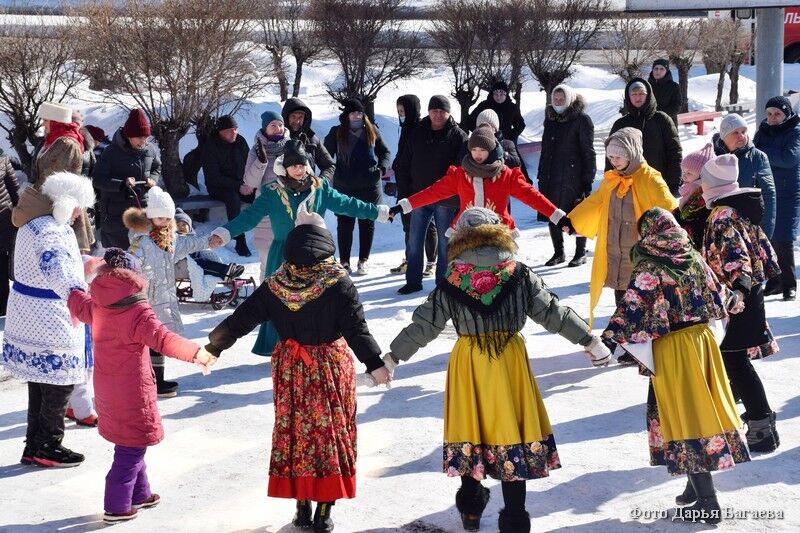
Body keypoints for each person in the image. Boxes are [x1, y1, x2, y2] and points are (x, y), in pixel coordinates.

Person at [386, 208, 611, 533]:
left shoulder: (454, 278)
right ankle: (515, 519)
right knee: (511, 437)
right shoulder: (518, 273)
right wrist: (590, 341)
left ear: (462, 237)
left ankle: (471, 504)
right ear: (497, 233)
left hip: (470, 363)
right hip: (508, 363)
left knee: (471, 432)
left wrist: (393, 356)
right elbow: (552, 312)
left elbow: (425, 324)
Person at [205, 216, 391, 533]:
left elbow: (242, 318)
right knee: (329, 436)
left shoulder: (276, 284)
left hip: (291, 368)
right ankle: (323, 513)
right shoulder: (338, 282)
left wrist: (213, 346)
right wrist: (375, 363)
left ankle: (302, 509)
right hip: (329, 367)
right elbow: (356, 329)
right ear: (326, 245)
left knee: (297, 436)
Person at [603, 207, 749, 525]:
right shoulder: (692, 256)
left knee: (686, 418)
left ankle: (708, 503)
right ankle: (694, 487)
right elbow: (719, 294)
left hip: (675, 347)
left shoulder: (650, 265)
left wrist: (608, 342)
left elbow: (632, 304)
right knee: (693, 410)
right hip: (703, 343)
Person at [67, 248, 214, 524]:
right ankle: (117, 506)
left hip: (107, 389)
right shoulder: (136, 311)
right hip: (132, 390)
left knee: (130, 442)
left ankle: (140, 493)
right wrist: (196, 353)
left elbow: (78, 304)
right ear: (134, 276)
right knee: (131, 449)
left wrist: (71, 288)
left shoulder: (99, 304)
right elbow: (164, 339)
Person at [209, 140, 390, 357]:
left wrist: (377, 212)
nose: (299, 169)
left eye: (302, 164)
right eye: (293, 165)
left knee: (321, 301)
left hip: (317, 256)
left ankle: (321, 342)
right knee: (278, 301)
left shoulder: (320, 188)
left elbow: (348, 204)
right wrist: (226, 232)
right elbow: (250, 217)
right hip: (282, 254)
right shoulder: (272, 192)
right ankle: (281, 347)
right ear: (284, 166)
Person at [561, 127, 677, 363]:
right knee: (622, 297)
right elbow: (595, 202)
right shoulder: (612, 179)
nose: (613, 162)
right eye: (611, 157)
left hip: (639, 253)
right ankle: (629, 343)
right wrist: (573, 222)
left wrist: (677, 229)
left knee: (640, 301)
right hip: (615, 250)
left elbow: (669, 207)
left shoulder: (649, 178)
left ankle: (641, 346)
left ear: (632, 153)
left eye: (618, 157)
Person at [3, 172, 95, 467]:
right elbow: (54, 264)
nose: (81, 213)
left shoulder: (42, 222)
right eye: (80, 206)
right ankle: (47, 444)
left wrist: (90, 265)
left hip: (33, 310)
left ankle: (35, 444)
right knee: (61, 381)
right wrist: (76, 293)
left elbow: (63, 262)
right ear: (67, 203)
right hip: (48, 314)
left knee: (41, 380)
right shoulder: (49, 228)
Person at [700, 154, 781, 453]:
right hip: (747, 296)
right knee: (732, 362)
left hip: (738, 300)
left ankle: (762, 425)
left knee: (736, 361)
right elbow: (763, 249)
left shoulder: (723, 216)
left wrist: (739, 292)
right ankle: (745, 416)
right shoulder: (741, 209)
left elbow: (737, 258)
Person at [391, 125, 565, 236]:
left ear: (491, 149)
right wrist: (404, 206)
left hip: (498, 234)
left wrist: (558, 217)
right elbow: (432, 193)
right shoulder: (460, 175)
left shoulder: (505, 175)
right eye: (474, 149)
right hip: (466, 233)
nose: (478, 154)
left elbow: (532, 196)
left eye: (482, 149)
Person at [123, 187, 212, 398]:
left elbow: (190, 242)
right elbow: (130, 263)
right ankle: (147, 380)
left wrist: (211, 240)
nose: (164, 221)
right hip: (147, 299)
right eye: (160, 217)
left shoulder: (169, 239)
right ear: (151, 216)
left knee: (158, 341)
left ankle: (157, 380)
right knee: (147, 341)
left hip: (164, 298)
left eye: (167, 218)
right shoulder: (142, 241)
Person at [394, 95, 468, 294]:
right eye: (434, 110)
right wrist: (405, 192)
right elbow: (404, 163)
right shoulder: (417, 132)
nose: (438, 114)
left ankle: (442, 285)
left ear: (448, 112)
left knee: (445, 244)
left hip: (446, 200)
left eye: (442, 111)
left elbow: (460, 169)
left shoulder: (458, 136)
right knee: (414, 240)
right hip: (419, 196)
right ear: (428, 111)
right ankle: (413, 281)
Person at [324, 98, 391, 275]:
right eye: (353, 113)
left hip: (369, 183)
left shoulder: (371, 129)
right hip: (345, 184)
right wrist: (329, 173)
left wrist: (381, 168)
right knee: (344, 222)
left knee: (367, 222)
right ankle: (344, 261)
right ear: (346, 115)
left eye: (360, 113)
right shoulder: (337, 132)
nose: (357, 116)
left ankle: (364, 260)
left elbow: (384, 152)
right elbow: (325, 156)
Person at [537, 84, 596, 267]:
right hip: (551, 175)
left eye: (562, 99)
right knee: (552, 212)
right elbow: (545, 150)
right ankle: (558, 252)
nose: (558, 102)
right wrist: (541, 174)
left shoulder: (582, 120)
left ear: (569, 99)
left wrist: (588, 179)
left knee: (577, 214)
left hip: (574, 177)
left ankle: (580, 252)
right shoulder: (550, 119)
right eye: (556, 99)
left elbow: (589, 152)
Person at [92, 108, 162, 250]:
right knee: (120, 256)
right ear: (129, 135)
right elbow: (98, 179)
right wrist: (121, 185)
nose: (143, 141)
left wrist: (153, 179)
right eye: (139, 137)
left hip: (143, 211)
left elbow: (156, 168)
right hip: (116, 215)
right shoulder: (110, 152)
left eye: (146, 137)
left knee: (142, 254)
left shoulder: (150, 150)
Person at [753, 95, 800, 301]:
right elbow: (751, 155)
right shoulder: (762, 131)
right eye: (769, 114)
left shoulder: (795, 132)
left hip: (788, 192)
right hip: (766, 191)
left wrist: (762, 151)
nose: (772, 118)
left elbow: (788, 158)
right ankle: (775, 281)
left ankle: (790, 284)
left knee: (784, 238)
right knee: (767, 237)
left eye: (777, 114)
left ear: (786, 114)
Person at [31, 102, 95, 253]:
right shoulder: (52, 140)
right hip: (47, 204)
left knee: (63, 253)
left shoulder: (67, 143)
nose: (42, 124)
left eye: (45, 120)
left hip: (62, 208)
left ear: (55, 121)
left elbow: (59, 181)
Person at [607, 78, 682, 196]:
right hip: (628, 187)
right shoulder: (620, 124)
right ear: (628, 96)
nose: (638, 97)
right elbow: (610, 156)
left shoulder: (662, 119)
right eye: (634, 94)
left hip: (659, 184)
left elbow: (674, 152)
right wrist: (610, 183)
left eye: (642, 93)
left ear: (649, 95)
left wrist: (674, 183)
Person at [389, 94, 437, 276]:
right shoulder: (405, 129)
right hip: (404, 185)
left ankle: (431, 261)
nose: (401, 115)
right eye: (399, 112)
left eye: (403, 111)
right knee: (408, 225)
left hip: (419, 185)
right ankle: (410, 259)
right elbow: (402, 154)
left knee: (427, 224)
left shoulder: (420, 129)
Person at [240, 110, 291, 272]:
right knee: (267, 260)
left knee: (289, 261)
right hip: (265, 210)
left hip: (290, 209)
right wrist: (261, 162)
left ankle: (287, 296)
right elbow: (250, 182)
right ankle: (266, 295)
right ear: (264, 128)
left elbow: (305, 175)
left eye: (280, 125)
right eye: (273, 125)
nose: (278, 128)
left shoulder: (292, 147)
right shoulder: (255, 150)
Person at [712, 113, 776, 238]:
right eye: (735, 132)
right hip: (720, 225)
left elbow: (769, 195)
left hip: (749, 227)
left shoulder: (758, 157)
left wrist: (765, 233)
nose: (741, 136)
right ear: (724, 136)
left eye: (744, 131)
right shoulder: (712, 156)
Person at [201, 115, 251, 258]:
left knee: (261, 194)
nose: (233, 133)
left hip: (241, 183)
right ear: (220, 132)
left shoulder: (240, 141)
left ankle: (268, 233)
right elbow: (213, 177)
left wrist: (251, 183)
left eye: (235, 129)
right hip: (219, 187)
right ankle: (239, 239)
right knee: (233, 198)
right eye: (229, 130)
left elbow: (250, 162)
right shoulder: (211, 146)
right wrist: (238, 185)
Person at [174, 208, 244, 303]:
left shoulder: (192, 238)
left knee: (205, 261)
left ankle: (228, 273)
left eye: (183, 224)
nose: (180, 227)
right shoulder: (176, 239)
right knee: (201, 265)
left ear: (190, 226)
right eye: (177, 225)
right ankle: (225, 271)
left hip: (191, 262)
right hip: (180, 267)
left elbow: (198, 248)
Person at [281, 97, 335, 182]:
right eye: (293, 117)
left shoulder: (312, 139)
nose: (297, 121)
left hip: (308, 191)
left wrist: (320, 182)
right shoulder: (278, 138)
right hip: (282, 191)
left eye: (300, 117)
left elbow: (330, 165)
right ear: (286, 117)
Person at [673, 144, 715, 250]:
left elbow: (696, 223)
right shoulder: (690, 192)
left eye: (689, 173)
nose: (684, 176)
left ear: (703, 176)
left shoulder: (704, 196)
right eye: (683, 171)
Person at [0, 148, 20, 316]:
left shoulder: (2, 158)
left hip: (3, 218)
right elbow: (14, 191)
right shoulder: (3, 157)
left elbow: (14, 189)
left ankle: (4, 305)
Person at [647, 58, 681, 126]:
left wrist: (658, 115)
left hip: (667, 125)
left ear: (666, 71)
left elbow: (676, 107)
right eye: (656, 68)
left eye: (662, 69)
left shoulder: (674, 86)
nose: (658, 71)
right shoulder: (646, 86)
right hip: (649, 125)